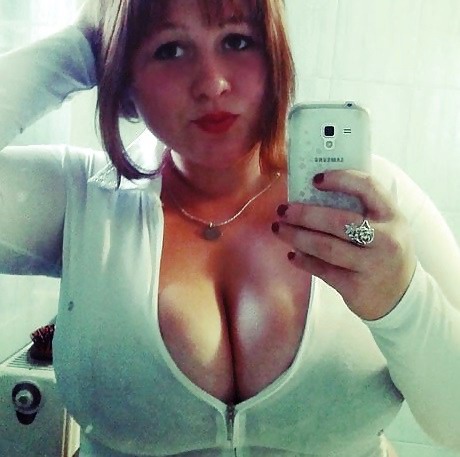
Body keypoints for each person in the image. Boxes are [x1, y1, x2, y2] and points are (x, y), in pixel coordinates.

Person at [1, 0, 460, 456]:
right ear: (124, 77)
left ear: (274, 53)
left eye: (237, 41)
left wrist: (402, 301)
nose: (212, 84)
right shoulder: (78, 197)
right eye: (169, 49)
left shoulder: (378, 207)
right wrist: (79, 48)